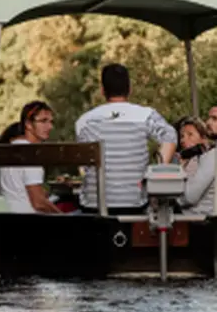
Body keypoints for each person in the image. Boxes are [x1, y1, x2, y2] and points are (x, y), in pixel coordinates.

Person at [75, 63, 177, 214]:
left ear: (103, 91)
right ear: (130, 89)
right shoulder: (146, 115)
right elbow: (170, 136)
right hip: (134, 203)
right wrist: (157, 172)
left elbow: (82, 166)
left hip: (93, 205)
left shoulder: (84, 121)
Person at [0, 100, 61, 214]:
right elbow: (39, 203)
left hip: (6, 219)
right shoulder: (30, 154)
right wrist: (63, 218)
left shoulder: (9, 149)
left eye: (51, 122)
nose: (50, 126)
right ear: (28, 124)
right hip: (28, 222)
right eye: (43, 121)